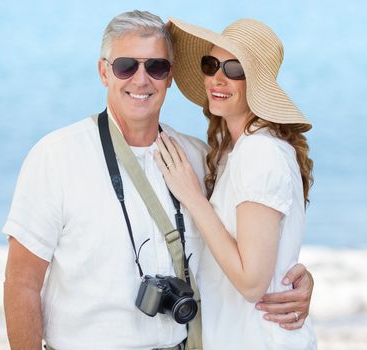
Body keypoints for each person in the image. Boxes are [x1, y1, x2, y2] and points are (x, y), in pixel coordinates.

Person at [2, 10, 313, 350]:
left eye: (156, 67)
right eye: (125, 66)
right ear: (104, 72)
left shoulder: (198, 159)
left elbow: (250, 243)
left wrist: (290, 279)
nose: (141, 79)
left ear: (170, 76)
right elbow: (21, 283)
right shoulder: (56, 157)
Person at [153, 18, 317, 349]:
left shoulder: (260, 152)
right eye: (211, 64)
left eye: (234, 69)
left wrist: (193, 198)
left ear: (256, 83)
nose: (218, 77)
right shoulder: (236, 151)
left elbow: (253, 283)